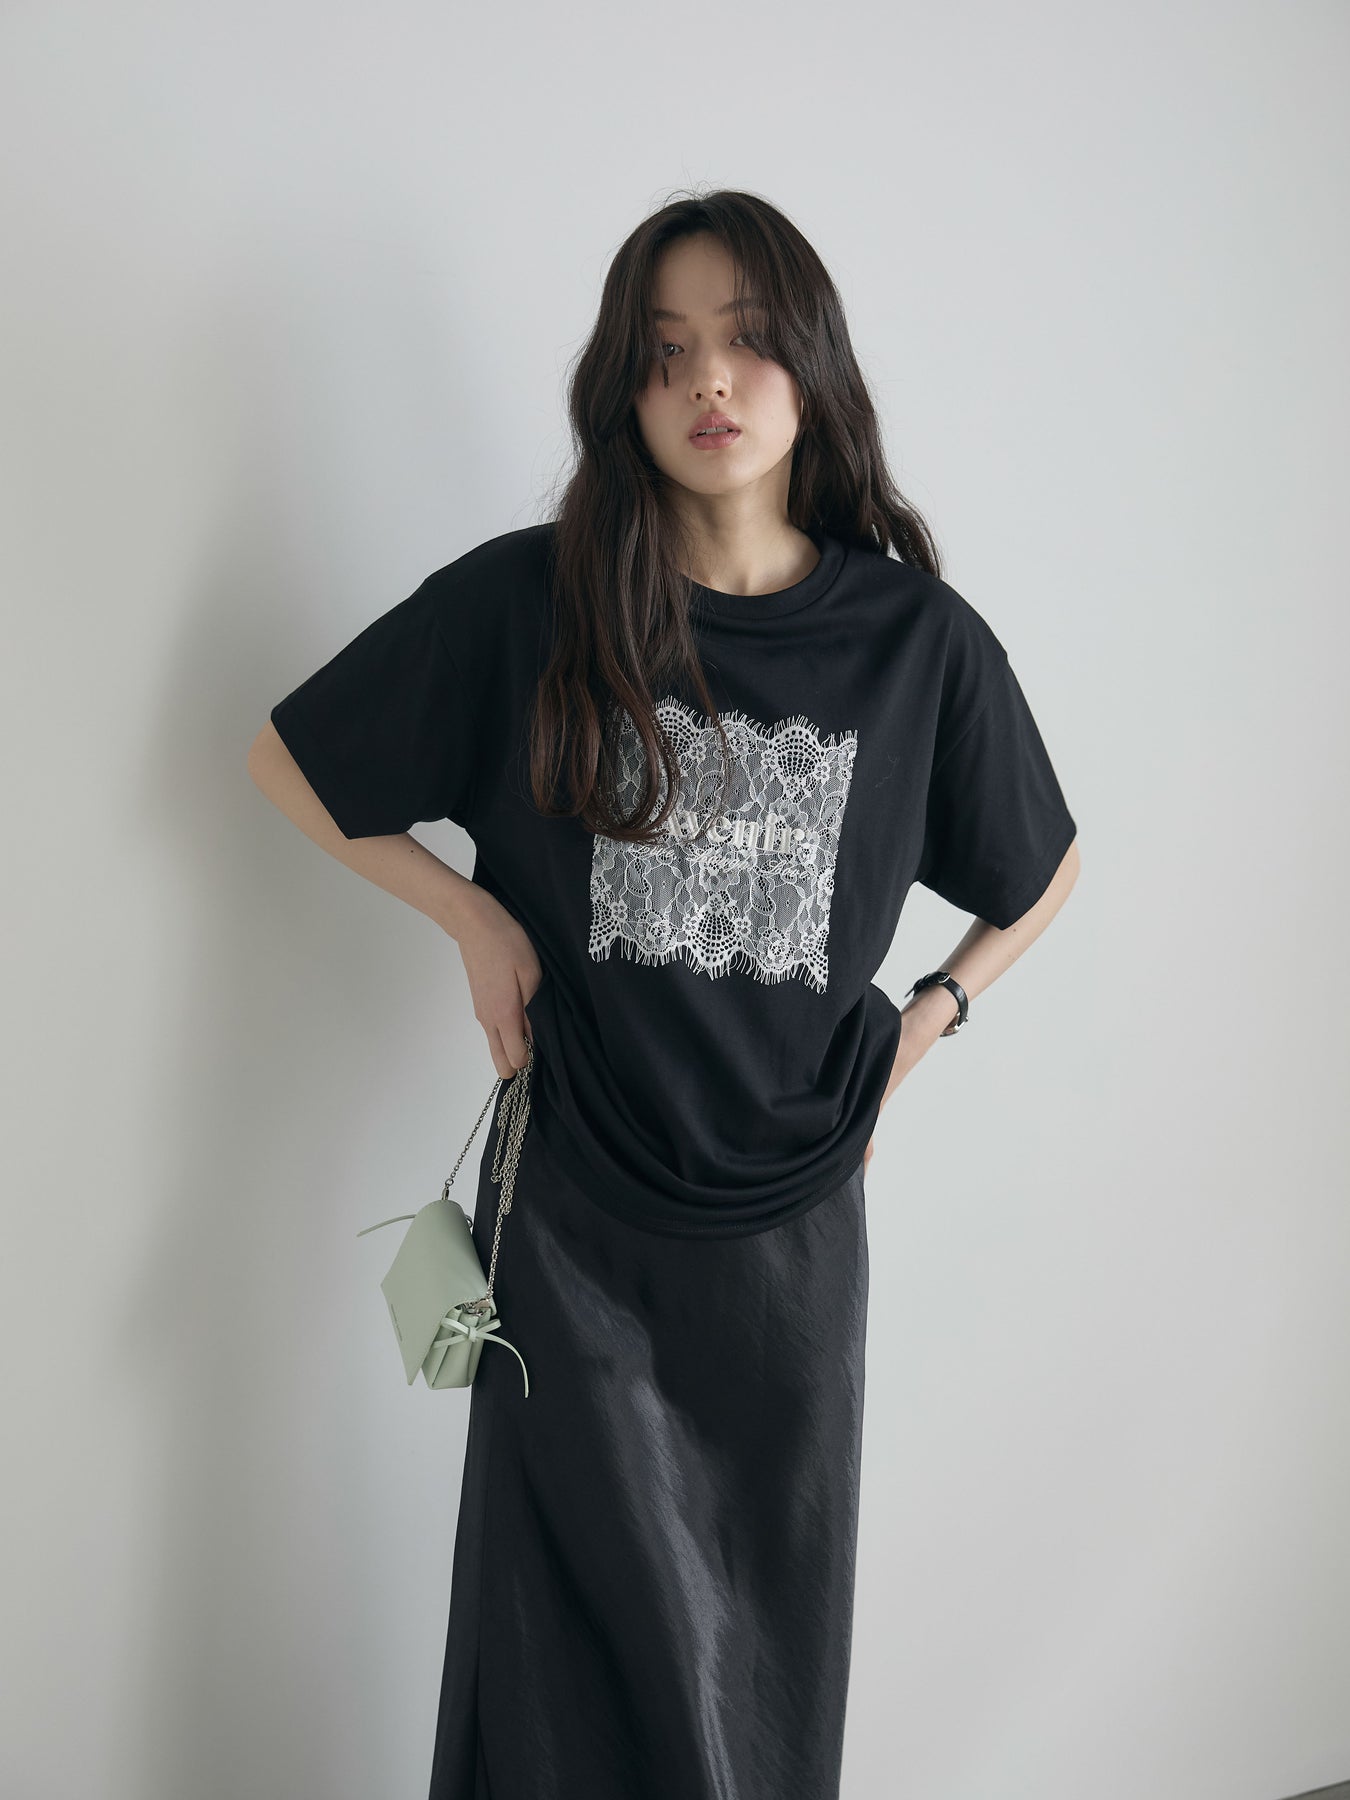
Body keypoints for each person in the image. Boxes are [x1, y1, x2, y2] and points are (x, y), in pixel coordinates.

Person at [248, 187, 1080, 1800]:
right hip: (575, 1211)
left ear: (810, 368)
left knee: (759, 1650)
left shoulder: (912, 644)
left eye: (745, 342)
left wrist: (930, 1018)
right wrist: (467, 916)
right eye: (664, 351)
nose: (707, 380)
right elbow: (294, 762)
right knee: (562, 1644)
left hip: (790, 1225)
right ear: (622, 391)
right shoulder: (530, 603)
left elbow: (1037, 868)